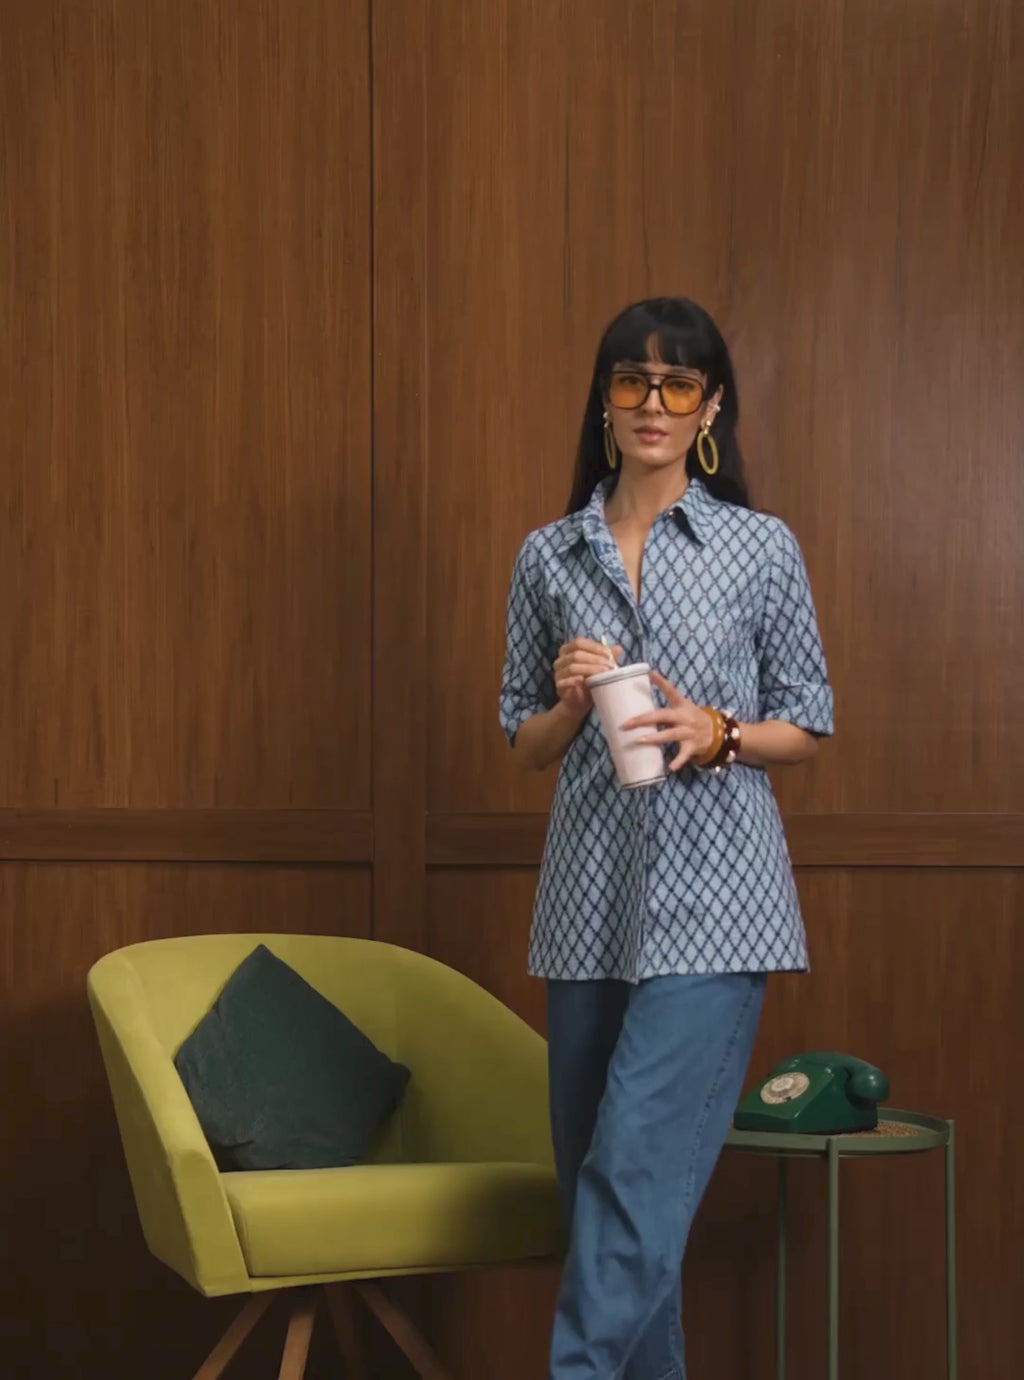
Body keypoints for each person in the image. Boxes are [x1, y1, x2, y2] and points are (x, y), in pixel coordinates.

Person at [498, 297, 834, 1379]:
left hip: (720, 906)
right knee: (602, 1198)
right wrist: (564, 704)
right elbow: (524, 744)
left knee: (632, 1183)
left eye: (677, 382)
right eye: (631, 379)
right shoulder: (549, 556)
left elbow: (808, 721)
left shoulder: (758, 548)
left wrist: (719, 732)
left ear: (709, 408)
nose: (652, 401)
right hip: (587, 909)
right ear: (603, 399)